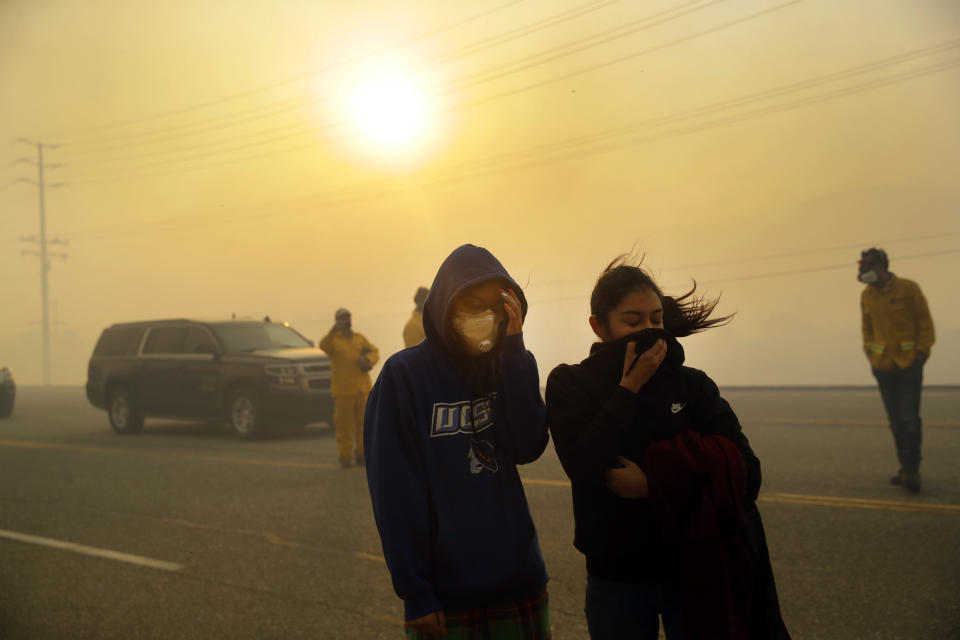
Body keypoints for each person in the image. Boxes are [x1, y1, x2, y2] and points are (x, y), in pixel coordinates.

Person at [545, 256, 788, 640]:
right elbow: (583, 464)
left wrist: (654, 484)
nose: (649, 330)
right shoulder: (571, 384)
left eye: (656, 319)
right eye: (633, 321)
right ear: (599, 326)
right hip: (616, 575)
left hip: (690, 568)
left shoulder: (692, 385)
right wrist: (629, 389)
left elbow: (747, 472)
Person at [364, 244, 551, 639]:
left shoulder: (508, 364)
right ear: (446, 305)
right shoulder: (404, 377)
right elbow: (394, 493)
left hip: (518, 580)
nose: (484, 315)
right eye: (471, 302)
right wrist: (416, 593)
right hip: (444, 596)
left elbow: (528, 447)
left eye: (495, 305)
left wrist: (515, 351)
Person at [858, 248, 935, 493]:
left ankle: (913, 470)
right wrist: (871, 356)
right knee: (895, 422)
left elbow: (925, 324)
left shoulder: (909, 289)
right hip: (883, 367)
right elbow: (867, 330)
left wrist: (921, 354)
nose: (865, 271)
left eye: (869, 266)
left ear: (882, 266)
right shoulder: (867, 295)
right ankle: (904, 467)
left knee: (910, 419)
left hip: (909, 365)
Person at [319, 308, 379, 468]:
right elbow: (323, 346)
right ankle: (345, 456)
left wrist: (367, 359)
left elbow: (375, 352)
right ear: (336, 320)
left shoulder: (360, 339)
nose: (346, 321)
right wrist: (333, 330)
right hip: (343, 390)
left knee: (363, 424)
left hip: (362, 388)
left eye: (347, 317)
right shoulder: (333, 341)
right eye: (341, 318)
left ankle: (362, 455)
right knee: (344, 426)